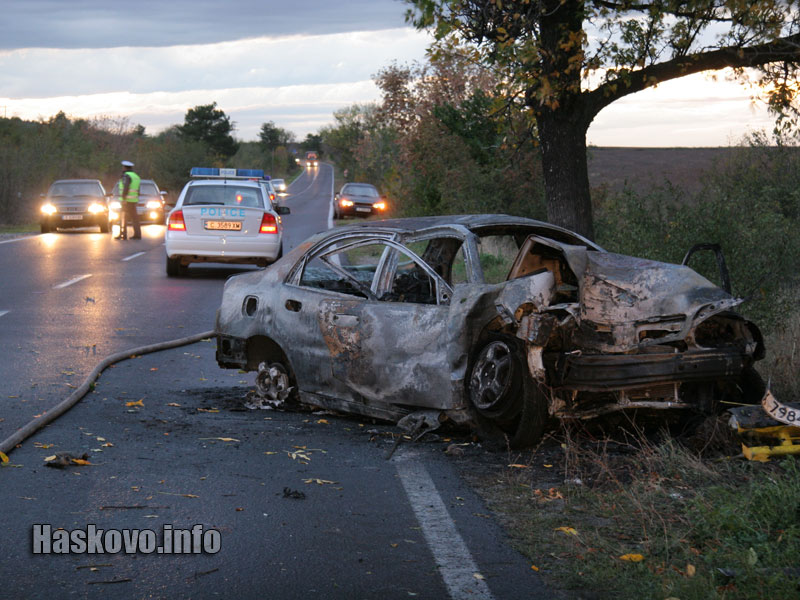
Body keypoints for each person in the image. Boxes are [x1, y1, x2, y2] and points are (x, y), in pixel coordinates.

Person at [115, 160, 141, 240]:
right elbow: (138, 190)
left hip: (126, 201)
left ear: (125, 167)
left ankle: (123, 234)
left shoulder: (126, 176)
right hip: (133, 201)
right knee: (135, 218)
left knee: (123, 217)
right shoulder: (136, 176)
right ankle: (137, 234)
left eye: (123, 167)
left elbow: (126, 187)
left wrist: (123, 198)